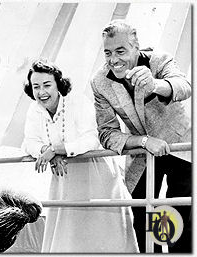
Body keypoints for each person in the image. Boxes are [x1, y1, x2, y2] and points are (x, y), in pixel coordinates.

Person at [90, 19, 191, 253]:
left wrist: (155, 84)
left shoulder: (159, 59)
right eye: (108, 52)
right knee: (141, 215)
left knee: (182, 215)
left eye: (120, 51)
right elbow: (107, 133)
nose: (113, 59)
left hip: (180, 146)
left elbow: (184, 86)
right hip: (143, 152)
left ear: (137, 47)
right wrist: (144, 141)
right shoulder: (99, 82)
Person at [22, 59, 139, 253]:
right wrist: (49, 153)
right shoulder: (35, 110)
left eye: (47, 85)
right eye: (36, 86)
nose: (41, 92)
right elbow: (28, 142)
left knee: (101, 233)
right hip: (65, 179)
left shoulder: (77, 102)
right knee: (68, 236)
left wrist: (58, 149)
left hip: (96, 175)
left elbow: (91, 139)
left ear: (58, 84)